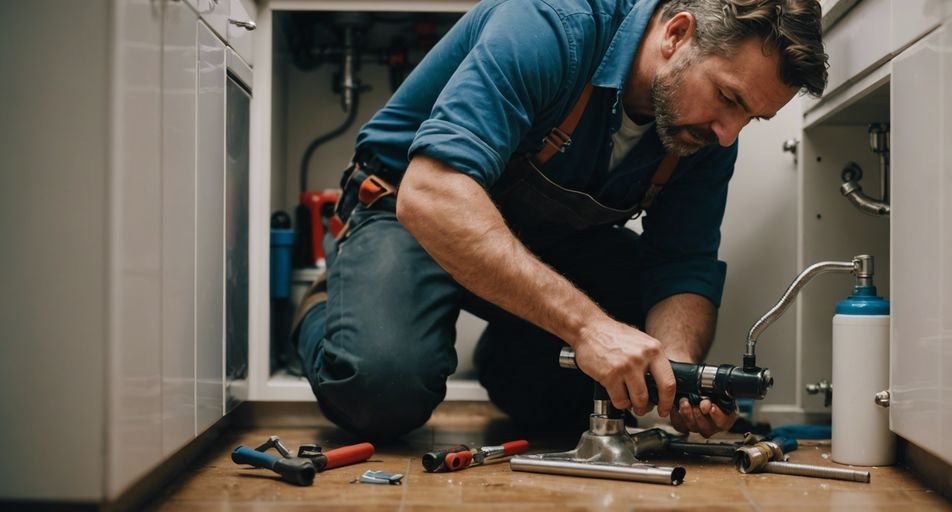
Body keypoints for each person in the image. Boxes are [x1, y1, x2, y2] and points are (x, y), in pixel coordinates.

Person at [293, 0, 827, 442]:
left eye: (750, 117)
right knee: (382, 392)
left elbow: (680, 263)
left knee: (590, 402)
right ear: (677, 34)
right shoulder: (551, 26)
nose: (729, 133)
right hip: (410, 213)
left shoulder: (706, 136)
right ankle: (329, 303)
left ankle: (512, 362)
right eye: (727, 98)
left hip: (543, 244)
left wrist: (679, 375)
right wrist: (588, 328)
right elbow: (432, 193)